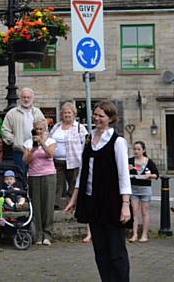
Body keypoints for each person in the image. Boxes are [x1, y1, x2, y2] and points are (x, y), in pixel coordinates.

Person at [65, 101, 132, 282]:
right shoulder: (88, 138)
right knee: (100, 251)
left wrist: (125, 205)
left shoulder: (117, 142)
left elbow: (123, 176)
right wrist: (74, 198)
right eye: (95, 114)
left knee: (116, 251)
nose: (96, 118)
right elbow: (83, 171)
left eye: (101, 116)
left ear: (110, 119)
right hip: (92, 202)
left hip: (112, 203)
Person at [49, 102, 88, 210]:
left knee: (73, 184)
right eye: (65, 113)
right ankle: (55, 204)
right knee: (56, 184)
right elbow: (49, 140)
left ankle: (71, 204)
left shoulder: (80, 128)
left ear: (74, 114)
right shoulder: (56, 126)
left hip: (74, 161)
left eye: (69, 112)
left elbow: (86, 144)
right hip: (57, 161)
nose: (67, 115)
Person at [24, 119, 56, 245]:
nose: (38, 131)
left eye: (41, 129)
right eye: (36, 129)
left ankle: (47, 235)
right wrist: (32, 149)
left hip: (49, 175)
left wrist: (42, 143)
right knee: (36, 206)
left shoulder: (50, 141)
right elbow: (25, 161)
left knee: (48, 206)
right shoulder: (28, 142)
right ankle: (38, 235)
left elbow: (51, 154)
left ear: (45, 129)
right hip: (33, 175)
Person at [1, 87, 45, 175]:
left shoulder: (38, 112)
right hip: (19, 151)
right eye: (24, 97)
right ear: (20, 98)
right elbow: (5, 130)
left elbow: (45, 129)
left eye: (28, 97)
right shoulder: (12, 113)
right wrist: (14, 141)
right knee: (21, 175)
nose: (26, 99)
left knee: (35, 174)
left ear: (32, 98)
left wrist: (41, 141)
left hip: (35, 150)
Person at [128, 140, 159, 243]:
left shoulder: (148, 161)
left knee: (144, 212)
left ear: (143, 150)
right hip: (133, 189)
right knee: (134, 213)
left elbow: (156, 175)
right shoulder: (130, 161)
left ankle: (144, 235)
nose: (136, 151)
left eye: (138, 149)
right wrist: (128, 169)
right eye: (135, 149)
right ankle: (135, 234)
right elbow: (122, 172)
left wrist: (149, 175)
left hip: (145, 189)